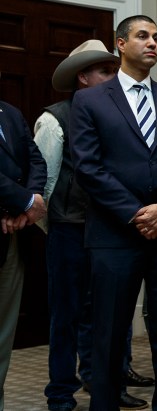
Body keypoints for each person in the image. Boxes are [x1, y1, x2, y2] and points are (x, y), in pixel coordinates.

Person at [69, 15, 157, 410]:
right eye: (142, 36)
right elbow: (88, 168)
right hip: (114, 236)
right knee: (109, 335)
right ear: (120, 44)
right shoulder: (90, 100)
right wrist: (137, 214)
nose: (152, 43)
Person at [35, 40, 150, 411]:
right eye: (103, 70)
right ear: (83, 77)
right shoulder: (54, 119)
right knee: (66, 317)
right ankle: (60, 396)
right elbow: (45, 187)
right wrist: (55, 230)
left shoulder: (117, 114)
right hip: (68, 231)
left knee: (106, 317)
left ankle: (107, 387)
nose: (111, 76)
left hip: (110, 231)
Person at [0, 99, 46, 411]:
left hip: (10, 238)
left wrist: (27, 207)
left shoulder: (11, 113)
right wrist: (23, 202)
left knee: (3, 335)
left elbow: (36, 161)